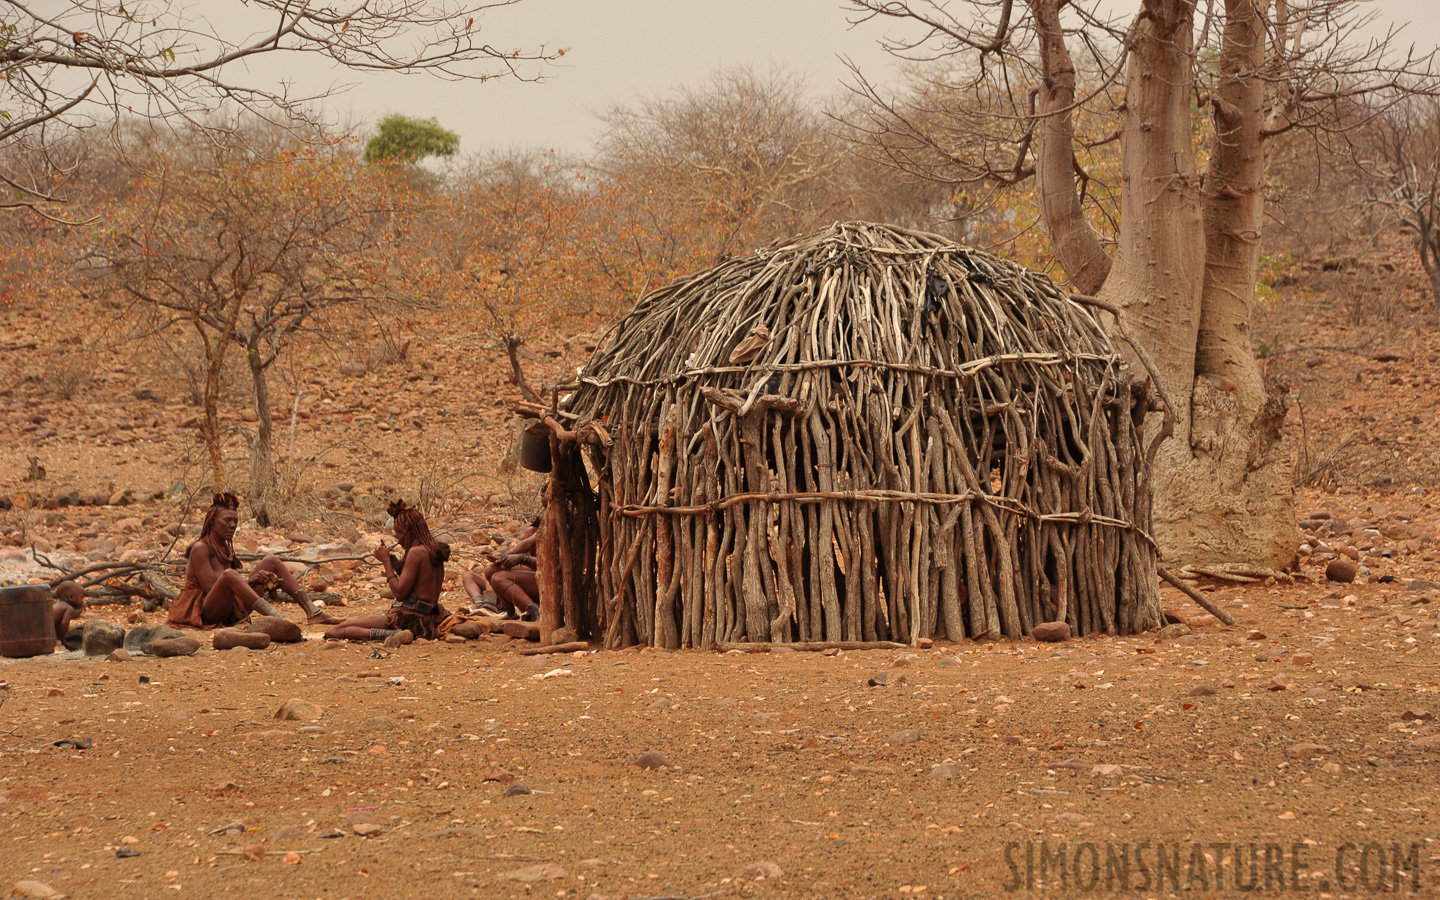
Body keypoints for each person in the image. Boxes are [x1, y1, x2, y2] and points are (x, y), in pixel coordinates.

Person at [168, 491, 341, 629]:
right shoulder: (200, 548)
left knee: (272, 560)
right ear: (212, 522)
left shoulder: (225, 548)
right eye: (227, 520)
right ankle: (275, 617)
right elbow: (213, 589)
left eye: (235, 521)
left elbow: (230, 589)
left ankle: (313, 611)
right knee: (230, 574)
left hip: (230, 607)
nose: (232, 525)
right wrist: (250, 582)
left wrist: (254, 582)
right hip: (205, 612)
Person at [324, 499, 451, 642]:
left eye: (398, 534)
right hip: (429, 619)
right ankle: (399, 634)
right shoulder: (432, 548)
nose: (398, 539)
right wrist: (395, 564)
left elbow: (399, 592)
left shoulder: (416, 552)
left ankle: (391, 635)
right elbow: (418, 582)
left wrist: (386, 563)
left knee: (334, 631)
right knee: (341, 629)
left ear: (407, 532)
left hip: (409, 619)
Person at [460, 517, 540, 622]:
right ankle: (506, 611)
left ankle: (535, 613)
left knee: (499, 578)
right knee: (490, 570)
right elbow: (527, 543)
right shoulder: (541, 528)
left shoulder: (559, 529)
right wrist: (503, 558)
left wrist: (523, 558)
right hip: (533, 574)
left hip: (550, 580)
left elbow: (557, 564)